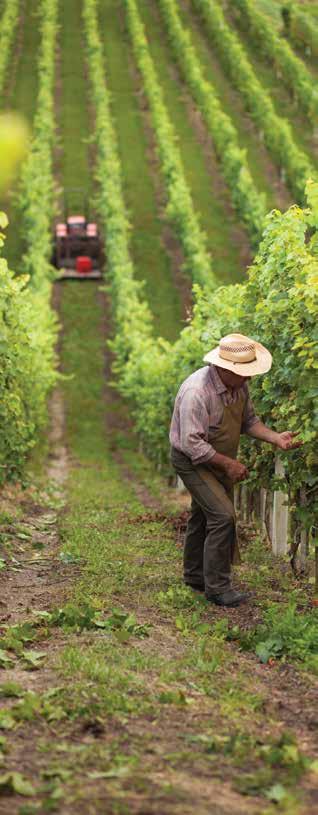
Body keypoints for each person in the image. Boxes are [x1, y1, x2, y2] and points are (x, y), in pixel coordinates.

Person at [169, 334, 301, 607]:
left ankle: (194, 575)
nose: (249, 379)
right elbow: (192, 445)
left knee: (203, 515)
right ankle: (217, 588)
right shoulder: (197, 392)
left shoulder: (238, 387)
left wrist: (276, 437)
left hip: (215, 456)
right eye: (244, 373)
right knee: (223, 515)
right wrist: (229, 464)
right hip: (190, 459)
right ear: (225, 368)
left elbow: (249, 421)